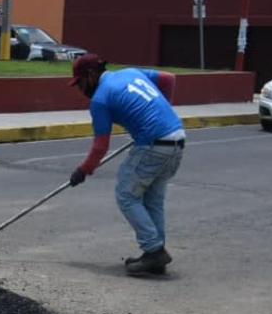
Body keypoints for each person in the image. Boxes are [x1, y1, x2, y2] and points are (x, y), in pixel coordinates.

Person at [67, 54, 185, 276]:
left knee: (126, 195)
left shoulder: (100, 99)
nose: (80, 90)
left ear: (91, 75)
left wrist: (83, 170)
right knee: (152, 200)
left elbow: (100, 146)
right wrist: (158, 114)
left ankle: (154, 250)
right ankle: (156, 256)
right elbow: (168, 79)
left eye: (80, 83)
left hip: (154, 144)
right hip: (177, 138)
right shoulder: (130, 72)